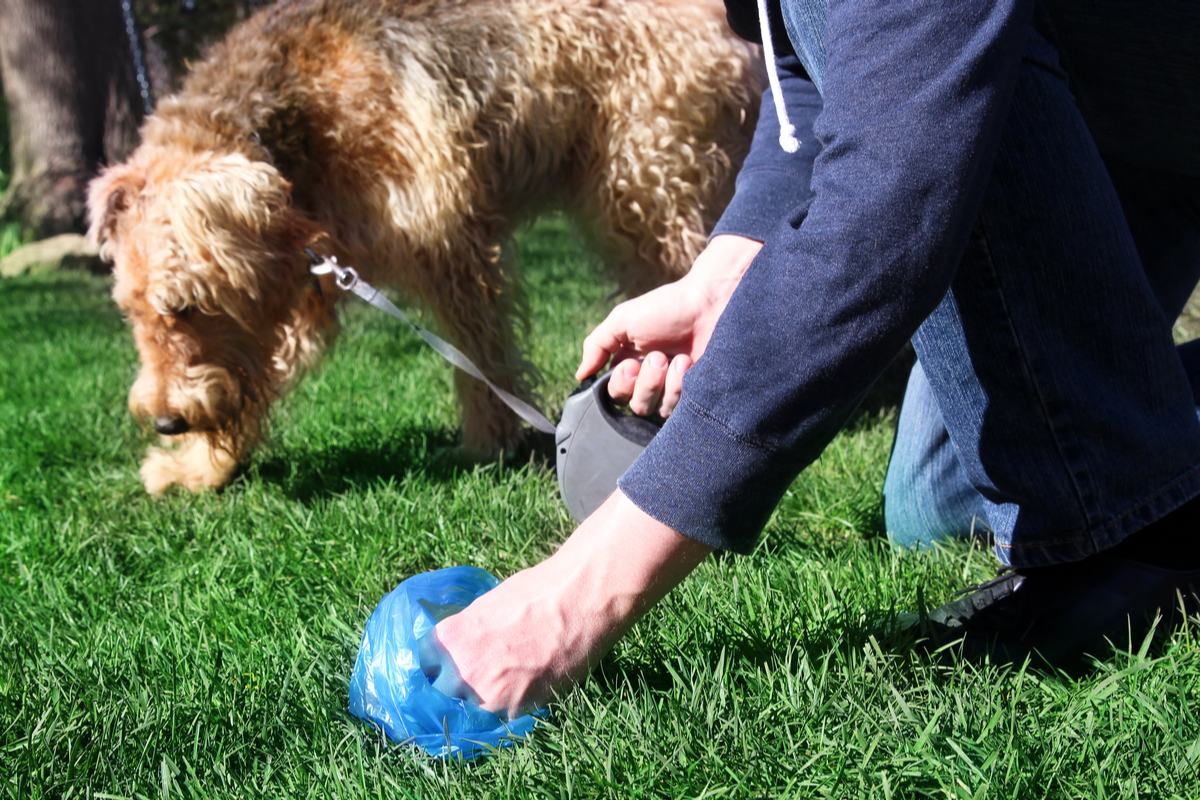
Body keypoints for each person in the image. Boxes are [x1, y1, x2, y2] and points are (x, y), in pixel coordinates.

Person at [419, 0, 1200, 721]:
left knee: (1094, 513)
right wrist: (725, 269)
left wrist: (574, 595)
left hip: (1133, 102)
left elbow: (889, 211)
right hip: (1101, 120)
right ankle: (1142, 467)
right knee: (941, 509)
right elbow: (816, 71)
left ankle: (1145, 535)